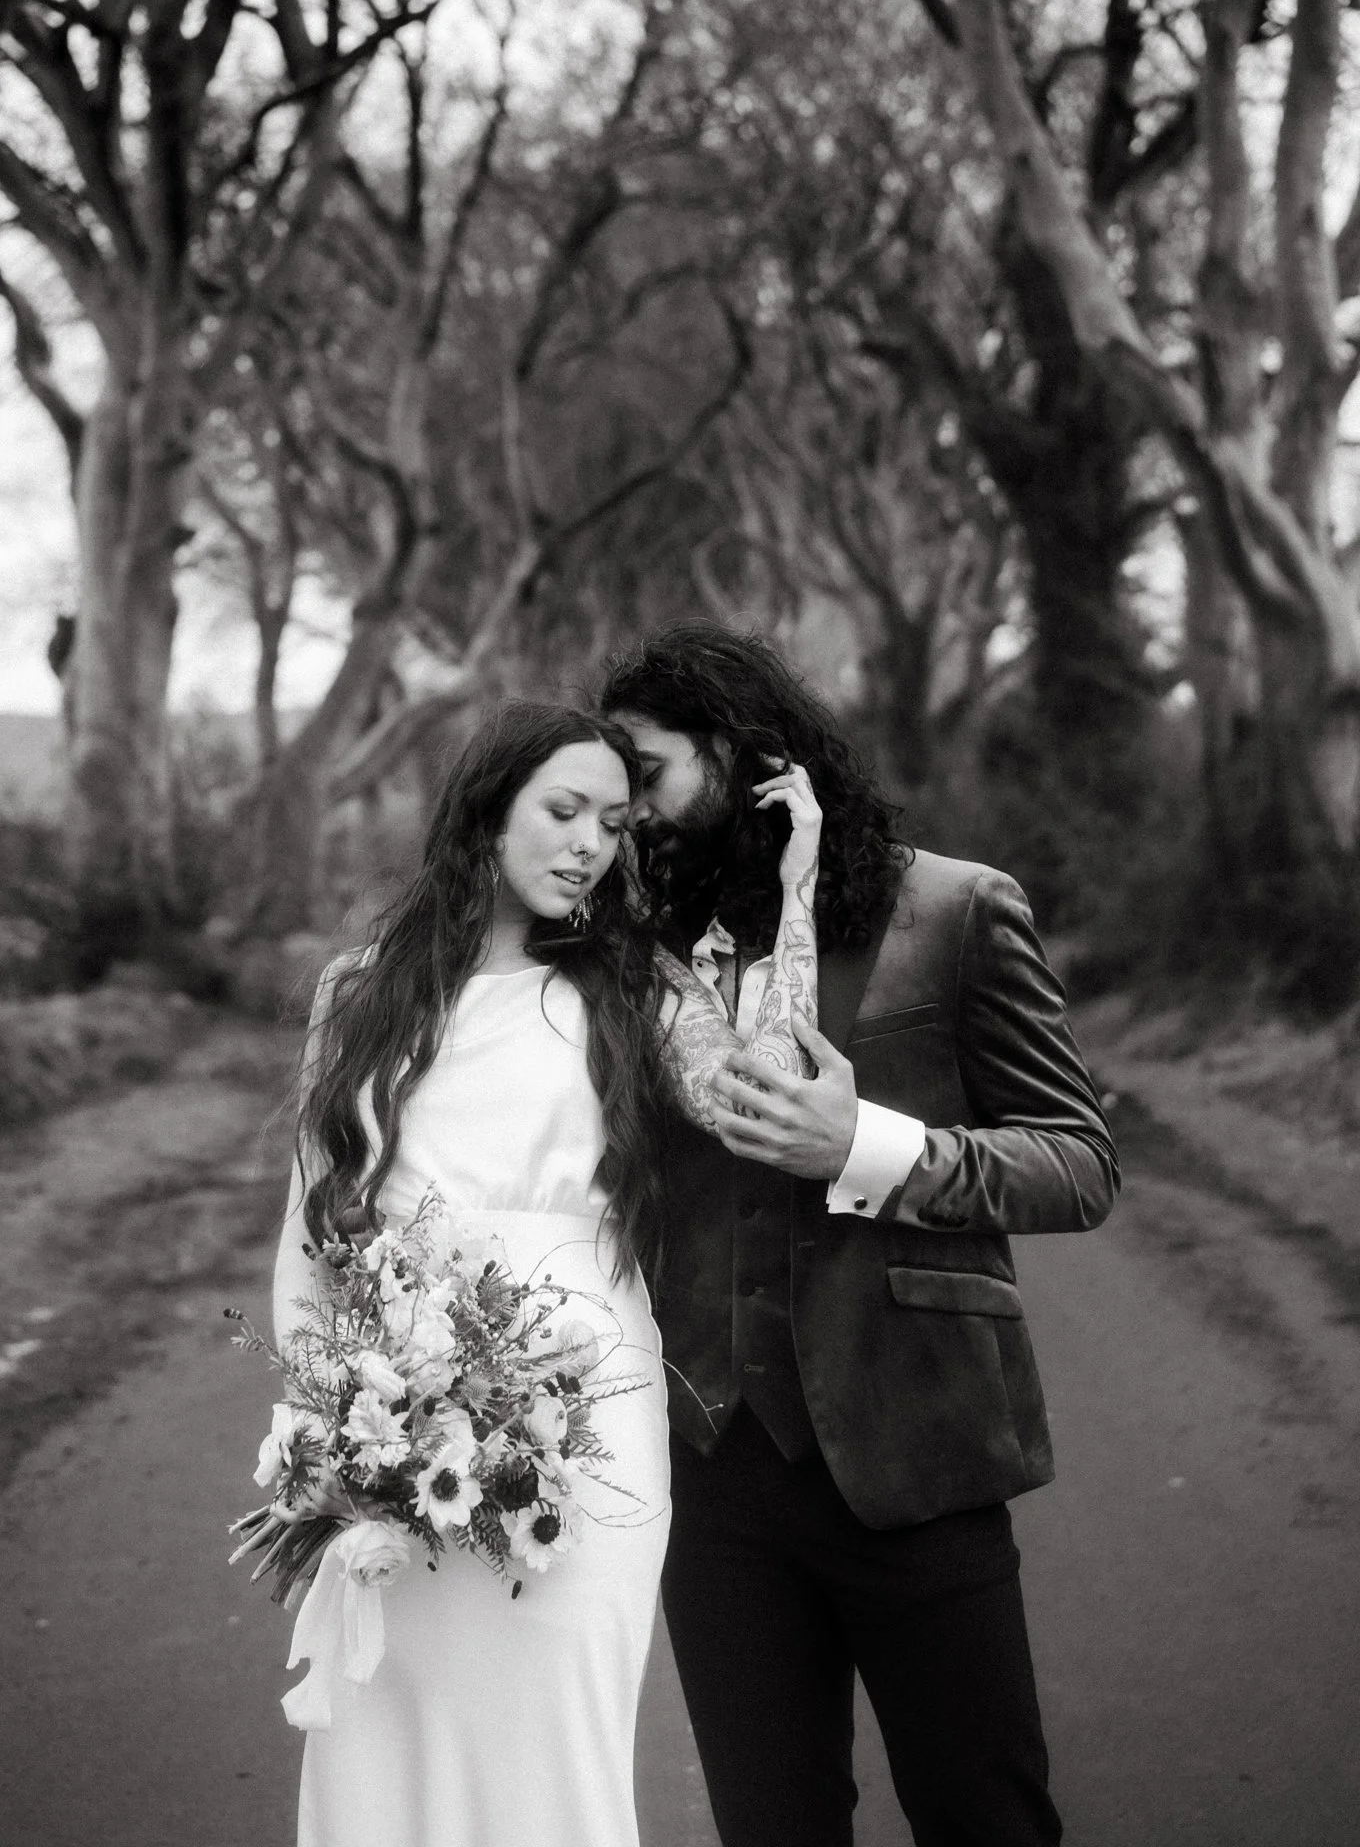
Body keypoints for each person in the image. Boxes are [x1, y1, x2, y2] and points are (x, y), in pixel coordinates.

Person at [599, 623, 1120, 1847]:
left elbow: (1080, 1162)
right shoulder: (632, 957)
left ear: (739, 753)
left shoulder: (952, 909)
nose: (636, 819)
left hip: (919, 1449)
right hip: (712, 1476)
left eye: (651, 775)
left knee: (983, 1817)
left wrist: (867, 1149)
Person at [270, 700, 823, 1847]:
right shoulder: (358, 992)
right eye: (562, 811)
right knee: (391, 1730)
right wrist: (321, 1421)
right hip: (395, 1409)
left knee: (552, 1741)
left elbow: (765, 1095)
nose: (588, 844)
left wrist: (797, 884)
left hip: (591, 1409)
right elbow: (313, 1228)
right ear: (485, 814)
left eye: (613, 824)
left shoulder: (630, 987)